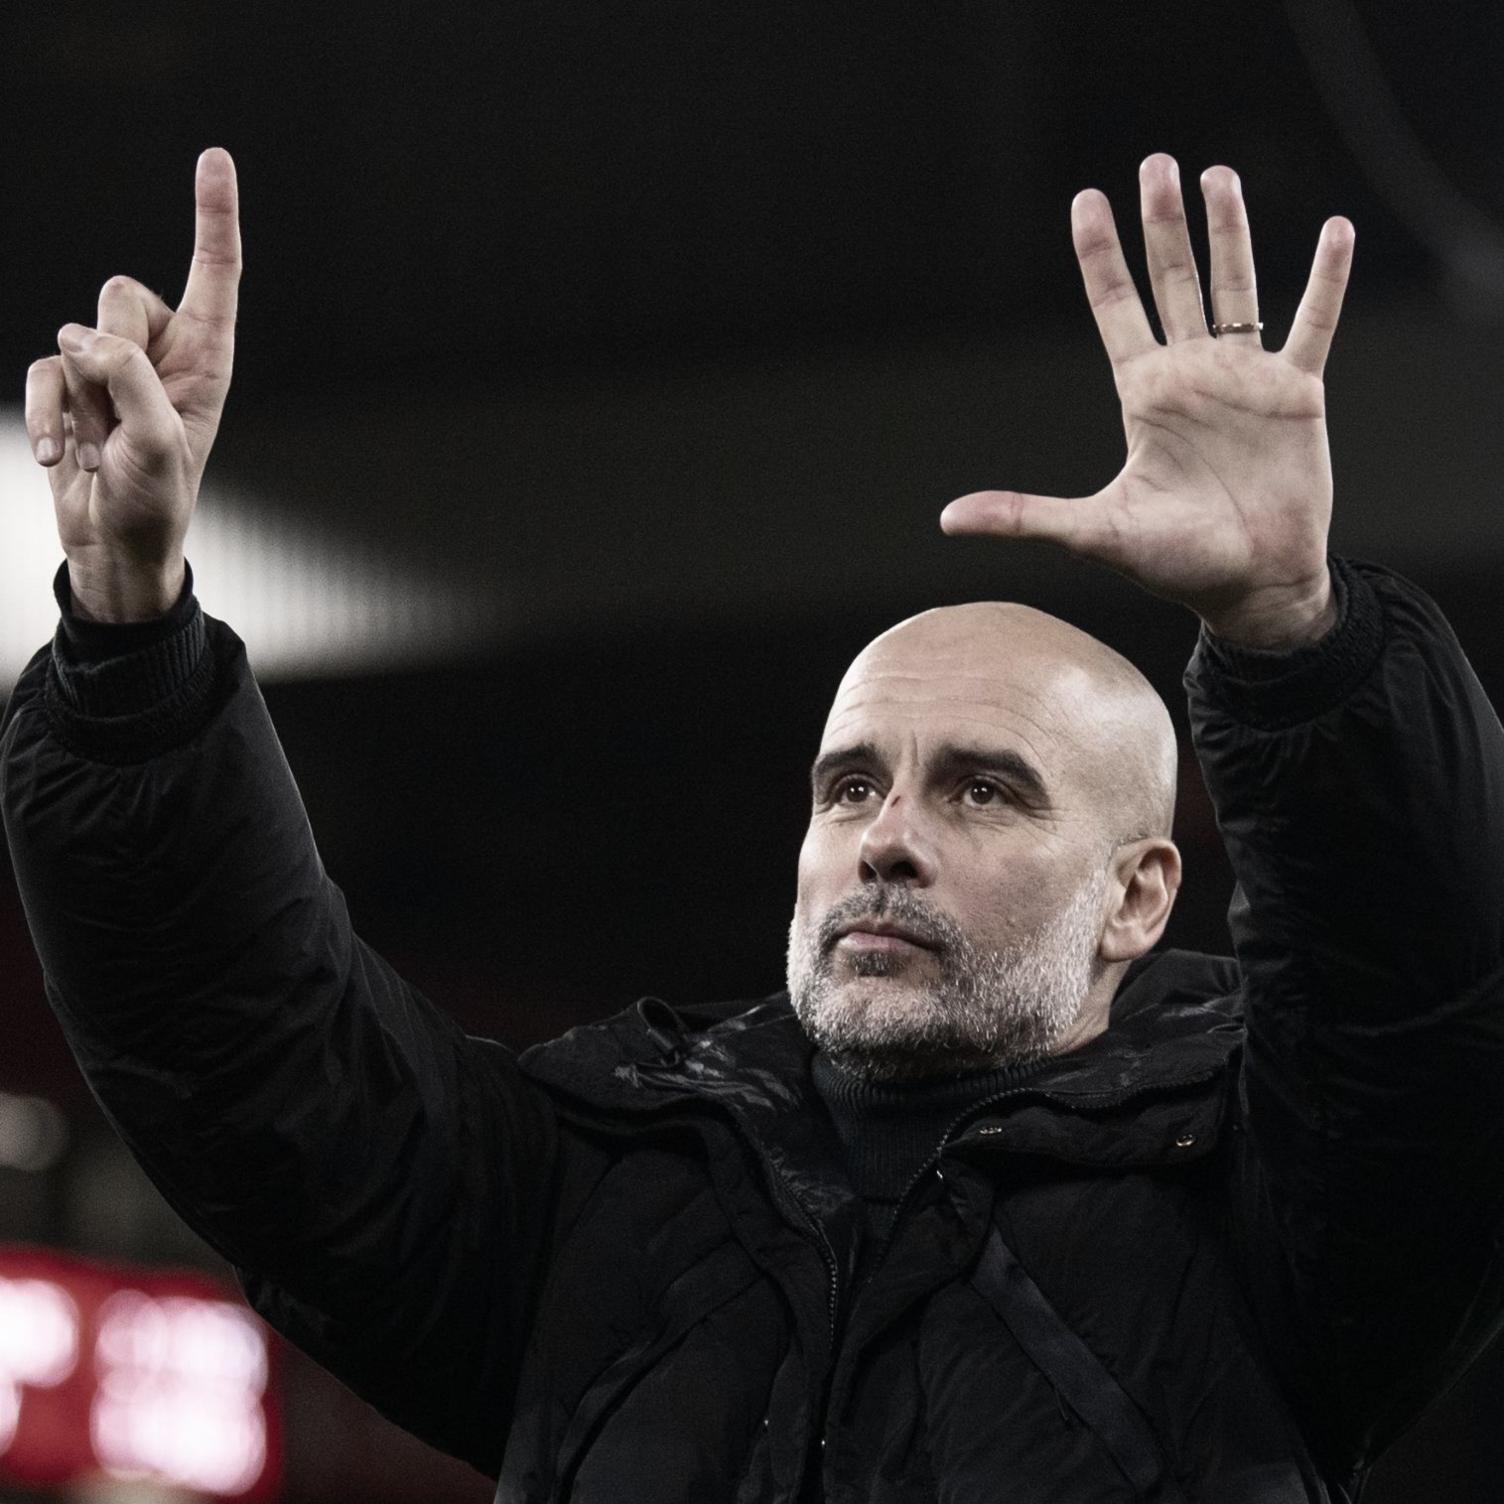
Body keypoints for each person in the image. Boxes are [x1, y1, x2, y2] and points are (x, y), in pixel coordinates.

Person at [6, 147, 1503, 1504]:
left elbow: (1426, 1015)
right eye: (850, 785)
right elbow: (242, 1044)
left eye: (984, 788)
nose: (887, 836)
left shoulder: (1277, 1221)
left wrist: (1296, 637)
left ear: (1137, 896)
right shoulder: (580, 1200)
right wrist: (128, 641)